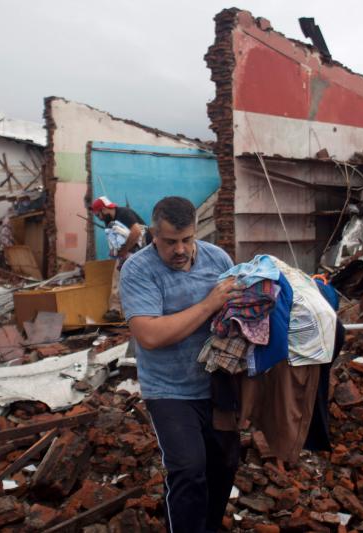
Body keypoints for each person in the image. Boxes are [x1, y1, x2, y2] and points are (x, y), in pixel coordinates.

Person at [119, 196, 242, 533]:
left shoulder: (218, 259)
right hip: (169, 389)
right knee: (188, 468)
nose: (181, 250)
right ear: (153, 236)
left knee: (224, 464)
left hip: (216, 383)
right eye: (170, 242)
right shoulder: (138, 270)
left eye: (187, 239)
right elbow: (150, 335)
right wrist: (208, 304)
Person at [91, 195, 151, 322]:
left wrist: (123, 251)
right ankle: (116, 310)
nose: (99, 218)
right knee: (118, 274)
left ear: (103, 209)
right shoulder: (108, 221)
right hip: (127, 250)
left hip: (142, 248)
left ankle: (130, 310)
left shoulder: (124, 213)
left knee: (128, 276)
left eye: (98, 215)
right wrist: (117, 251)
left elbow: (136, 232)